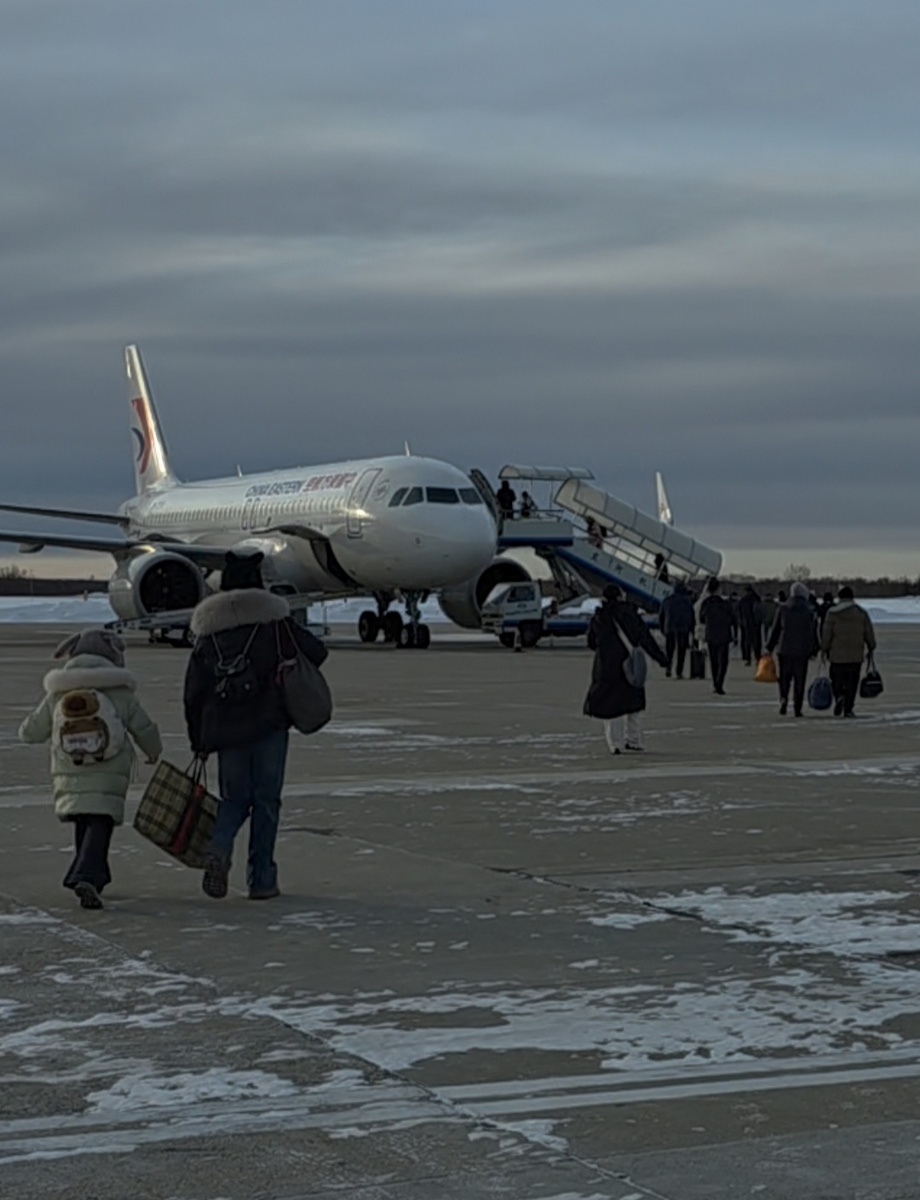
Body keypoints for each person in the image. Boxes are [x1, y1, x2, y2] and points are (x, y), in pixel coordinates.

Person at [184, 551, 329, 900]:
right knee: (266, 801)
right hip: (270, 726)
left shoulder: (208, 631)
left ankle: (218, 849)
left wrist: (199, 740)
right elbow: (317, 651)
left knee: (233, 799)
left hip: (226, 731)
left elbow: (193, 692)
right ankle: (262, 879)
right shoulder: (275, 623)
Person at [18, 629, 162, 909]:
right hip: (108, 772)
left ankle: (95, 876)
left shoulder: (59, 692)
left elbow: (30, 731)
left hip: (71, 771)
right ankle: (86, 876)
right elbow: (143, 727)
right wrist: (153, 751)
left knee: (84, 819)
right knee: (100, 821)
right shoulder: (120, 692)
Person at [584, 584, 668, 754]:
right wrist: (661, 659)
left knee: (611, 706)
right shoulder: (630, 614)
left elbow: (591, 643)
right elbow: (645, 638)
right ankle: (634, 740)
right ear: (620, 596)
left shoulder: (599, 617)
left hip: (607, 666)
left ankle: (615, 744)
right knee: (634, 703)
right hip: (630, 663)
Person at [821, 585, 877, 718]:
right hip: (855, 655)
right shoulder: (861, 613)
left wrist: (824, 647)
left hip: (837, 655)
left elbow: (827, 633)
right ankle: (848, 708)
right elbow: (868, 632)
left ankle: (839, 696)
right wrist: (871, 645)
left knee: (836, 679)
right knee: (852, 682)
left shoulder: (832, 613)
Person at [766, 581, 819, 717]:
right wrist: (814, 649)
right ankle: (797, 707)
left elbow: (776, 630)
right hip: (802, 650)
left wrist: (769, 647)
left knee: (784, 677)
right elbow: (811, 632)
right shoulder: (808, 611)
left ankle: (783, 698)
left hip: (784, 648)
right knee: (799, 680)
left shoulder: (782, 609)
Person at [699, 577, 735, 695]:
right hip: (724, 635)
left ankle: (715, 683)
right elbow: (733, 618)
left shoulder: (706, 603)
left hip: (711, 634)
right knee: (723, 662)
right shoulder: (725, 604)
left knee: (713, 661)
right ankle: (719, 682)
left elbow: (701, 618)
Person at [658, 581, 695, 679]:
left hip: (669, 627)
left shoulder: (667, 600)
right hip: (683, 628)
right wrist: (692, 630)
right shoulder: (687, 602)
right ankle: (679, 671)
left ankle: (668, 667)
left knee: (669, 650)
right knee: (681, 651)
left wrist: (662, 628)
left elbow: (661, 615)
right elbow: (691, 616)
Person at [737, 584, 764, 666]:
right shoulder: (757, 598)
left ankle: (747, 658)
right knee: (757, 642)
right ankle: (757, 657)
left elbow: (739, 612)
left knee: (746, 641)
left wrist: (741, 621)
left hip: (746, 623)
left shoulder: (743, 600)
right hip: (756, 624)